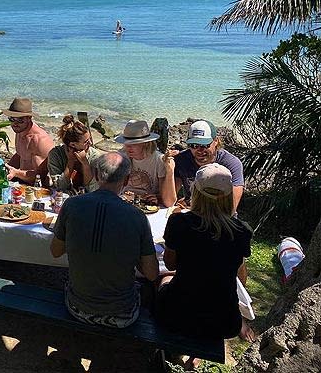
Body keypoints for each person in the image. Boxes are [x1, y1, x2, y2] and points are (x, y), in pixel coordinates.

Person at [156, 163, 253, 366]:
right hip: (224, 321)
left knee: (164, 279)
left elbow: (169, 263)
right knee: (211, 298)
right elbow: (239, 276)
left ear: (196, 193)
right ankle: (196, 354)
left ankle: (165, 350)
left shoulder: (179, 223)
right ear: (227, 197)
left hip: (176, 314)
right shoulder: (241, 231)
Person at [50, 152, 159, 328]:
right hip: (122, 315)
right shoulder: (137, 217)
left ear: (97, 175)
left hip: (77, 307)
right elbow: (152, 274)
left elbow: (55, 251)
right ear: (126, 180)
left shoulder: (72, 205)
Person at [173, 120, 244, 211]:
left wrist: (194, 208)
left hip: (222, 218)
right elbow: (169, 200)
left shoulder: (231, 164)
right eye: (194, 145)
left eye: (204, 145)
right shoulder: (182, 159)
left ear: (216, 141)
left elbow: (230, 208)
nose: (199, 150)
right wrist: (169, 169)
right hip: (191, 213)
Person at [116, 119, 177, 207]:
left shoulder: (158, 160)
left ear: (145, 143)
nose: (128, 147)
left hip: (147, 204)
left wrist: (170, 171)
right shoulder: (121, 156)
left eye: (134, 143)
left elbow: (169, 202)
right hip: (125, 201)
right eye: (126, 143)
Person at [40, 114, 101, 192]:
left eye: (89, 139)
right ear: (72, 144)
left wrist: (85, 164)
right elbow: (60, 187)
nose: (90, 143)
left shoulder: (94, 156)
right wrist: (70, 162)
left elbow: (92, 189)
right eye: (86, 142)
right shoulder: (56, 154)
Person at [2, 97, 54, 184]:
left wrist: (16, 173)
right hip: (21, 182)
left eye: (20, 120)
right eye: (12, 119)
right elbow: (20, 155)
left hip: (37, 188)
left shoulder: (39, 141)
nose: (15, 123)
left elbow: (41, 176)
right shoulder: (20, 131)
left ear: (29, 118)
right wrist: (6, 169)